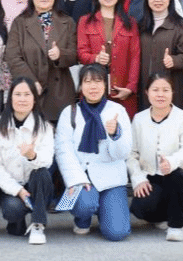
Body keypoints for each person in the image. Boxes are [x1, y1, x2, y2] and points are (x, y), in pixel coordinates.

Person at [55, 64, 132, 241]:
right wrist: (77, 179)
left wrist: (115, 135)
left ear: (105, 85)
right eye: (87, 81)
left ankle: (104, 209)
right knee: (85, 204)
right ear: (81, 86)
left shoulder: (117, 111)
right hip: (82, 176)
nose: (93, 86)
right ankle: (82, 219)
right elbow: (63, 151)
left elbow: (123, 153)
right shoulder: (70, 112)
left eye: (98, 81)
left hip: (111, 179)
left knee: (117, 233)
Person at [128, 73, 183, 241]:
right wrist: (138, 178)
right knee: (140, 208)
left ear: (172, 92)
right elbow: (132, 154)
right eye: (155, 90)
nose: (160, 94)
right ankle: (167, 214)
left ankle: (177, 225)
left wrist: (172, 162)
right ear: (147, 92)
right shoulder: (139, 119)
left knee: (174, 178)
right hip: (151, 175)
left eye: (165, 90)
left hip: (181, 175)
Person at [0, 76, 54, 244]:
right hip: (11, 186)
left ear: (34, 99)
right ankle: (17, 221)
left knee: (41, 173)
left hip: (36, 185)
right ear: (10, 98)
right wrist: (18, 191)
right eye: (17, 94)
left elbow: (47, 160)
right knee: (13, 211)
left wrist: (32, 156)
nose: (22, 99)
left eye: (27, 94)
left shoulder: (44, 126)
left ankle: (38, 224)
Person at [5, 0, 79, 122]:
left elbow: (74, 54)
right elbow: (12, 56)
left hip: (59, 93)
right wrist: (31, 82)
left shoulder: (67, 21)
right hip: (28, 91)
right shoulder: (20, 22)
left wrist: (60, 55)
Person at [78, 0, 141, 117]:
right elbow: (81, 53)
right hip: (93, 89)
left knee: (121, 127)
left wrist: (130, 87)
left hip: (122, 90)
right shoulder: (85, 21)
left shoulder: (130, 22)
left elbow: (135, 57)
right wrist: (95, 58)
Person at [137, 0, 183, 111]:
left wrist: (174, 60)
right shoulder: (141, 25)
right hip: (145, 89)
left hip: (171, 89)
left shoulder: (180, 25)